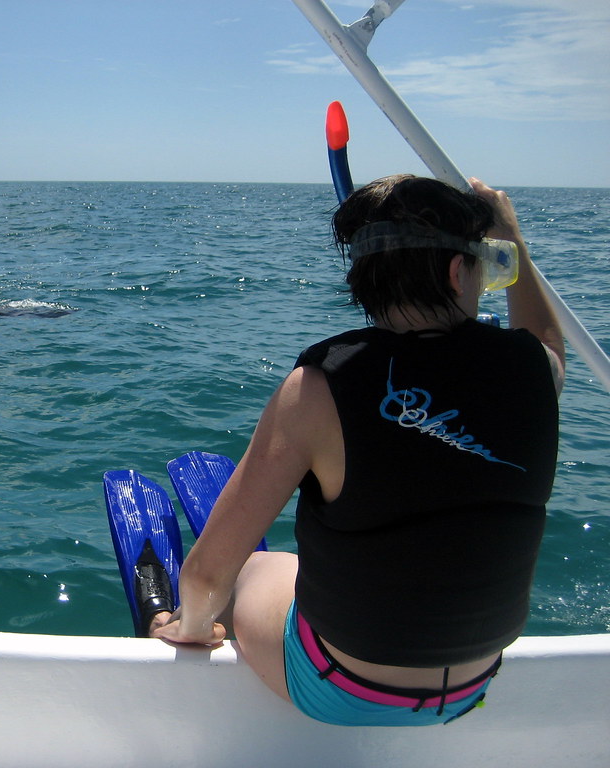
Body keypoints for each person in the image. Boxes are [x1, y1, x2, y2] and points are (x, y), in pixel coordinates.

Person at [149, 175, 565, 727]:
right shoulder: (535, 370)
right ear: (456, 270)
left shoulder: (318, 388)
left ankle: (173, 621)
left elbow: (205, 576)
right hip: (471, 684)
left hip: (342, 691)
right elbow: (542, 331)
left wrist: (192, 629)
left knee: (251, 566)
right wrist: (511, 236)